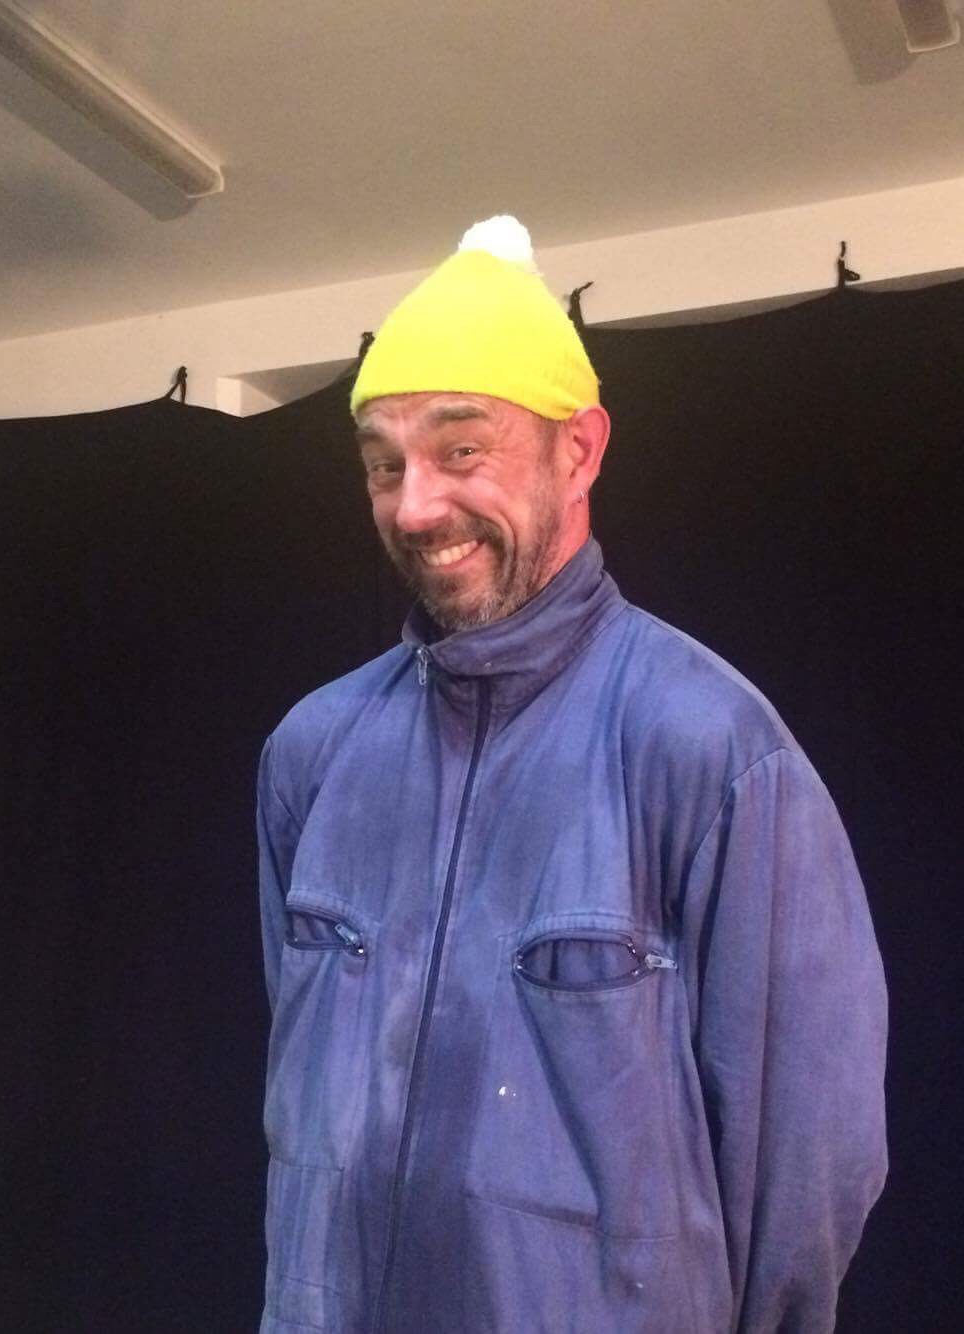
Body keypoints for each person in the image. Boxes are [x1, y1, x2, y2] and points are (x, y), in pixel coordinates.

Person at [255, 216, 887, 1334]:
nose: (415, 505)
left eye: (461, 451)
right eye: (384, 464)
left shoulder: (711, 747)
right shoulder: (315, 748)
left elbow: (807, 1160)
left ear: (580, 451)